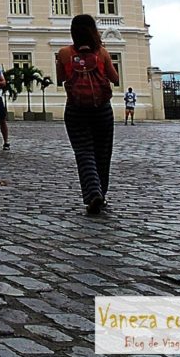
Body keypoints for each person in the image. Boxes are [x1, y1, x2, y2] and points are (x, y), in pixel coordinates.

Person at [57, 13, 120, 215]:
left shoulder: (65, 53)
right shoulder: (102, 53)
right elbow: (115, 78)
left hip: (75, 109)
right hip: (101, 109)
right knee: (103, 153)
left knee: (84, 152)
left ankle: (93, 193)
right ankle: (102, 192)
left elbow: (61, 78)